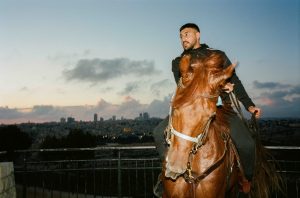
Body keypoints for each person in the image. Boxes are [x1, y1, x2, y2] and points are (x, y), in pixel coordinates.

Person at [153, 23, 261, 186]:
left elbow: (235, 81)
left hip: (220, 109)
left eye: (187, 34)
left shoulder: (217, 55)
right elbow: (185, 88)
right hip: (190, 111)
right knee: (158, 132)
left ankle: (247, 178)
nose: (183, 38)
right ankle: (166, 178)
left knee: (247, 144)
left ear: (198, 35)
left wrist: (249, 106)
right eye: (181, 36)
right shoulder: (178, 62)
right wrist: (219, 85)